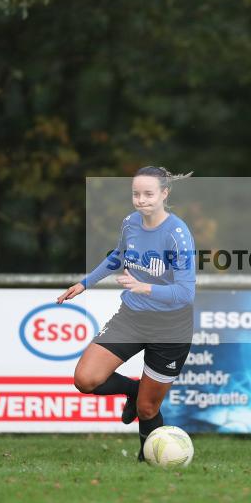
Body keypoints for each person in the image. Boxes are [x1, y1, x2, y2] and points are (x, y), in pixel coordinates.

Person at [57, 166, 195, 461]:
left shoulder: (177, 234)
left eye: (149, 194)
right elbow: (118, 256)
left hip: (171, 327)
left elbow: (186, 293)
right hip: (132, 317)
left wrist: (145, 287)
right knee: (85, 379)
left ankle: (149, 460)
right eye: (136, 194)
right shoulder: (131, 223)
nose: (141, 200)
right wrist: (84, 284)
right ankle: (132, 390)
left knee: (147, 409)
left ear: (164, 194)